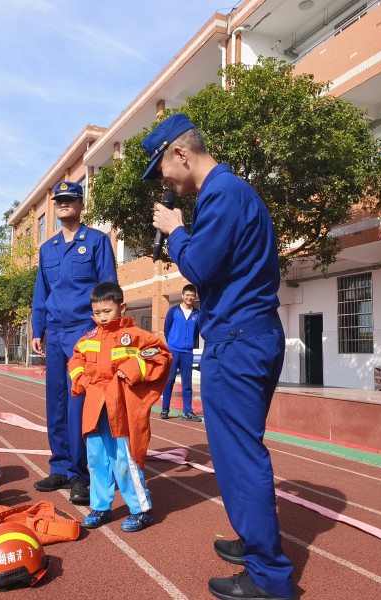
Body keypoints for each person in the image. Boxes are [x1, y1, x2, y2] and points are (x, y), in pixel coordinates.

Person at [148, 114, 296, 600]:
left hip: (238, 341)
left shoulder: (221, 193)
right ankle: (255, 544)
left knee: (239, 456)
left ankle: (268, 576)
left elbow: (199, 267)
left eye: (162, 169)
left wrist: (176, 230)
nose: (165, 181)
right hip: (249, 335)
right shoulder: (232, 191)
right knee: (239, 451)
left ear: (181, 154)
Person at [31, 180, 118, 505]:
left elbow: (109, 287)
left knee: (78, 401)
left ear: (81, 205)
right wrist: (37, 329)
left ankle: (80, 474)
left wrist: (107, 329)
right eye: (59, 201)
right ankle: (60, 468)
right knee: (55, 401)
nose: (63, 204)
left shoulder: (97, 241)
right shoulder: (48, 248)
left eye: (70, 199)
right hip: (55, 333)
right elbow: (42, 293)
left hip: (85, 332)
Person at [68, 282, 170, 532]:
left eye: (107, 311)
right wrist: (82, 380)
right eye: (97, 312)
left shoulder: (136, 336)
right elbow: (76, 360)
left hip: (120, 407)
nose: (102, 317)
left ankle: (141, 510)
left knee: (125, 459)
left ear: (121, 307)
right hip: (94, 407)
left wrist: (132, 370)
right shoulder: (88, 339)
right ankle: (100, 507)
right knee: (96, 459)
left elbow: (161, 356)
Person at [161, 284, 201, 421]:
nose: (190, 297)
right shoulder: (173, 311)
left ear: (195, 297)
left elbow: (196, 332)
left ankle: (187, 412)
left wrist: (189, 343)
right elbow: (166, 328)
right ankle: (165, 409)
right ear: (182, 295)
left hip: (187, 352)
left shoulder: (197, 314)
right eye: (187, 295)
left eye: (192, 295)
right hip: (173, 350)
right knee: (169, 380)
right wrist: (172, 343)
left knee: (187, 383)